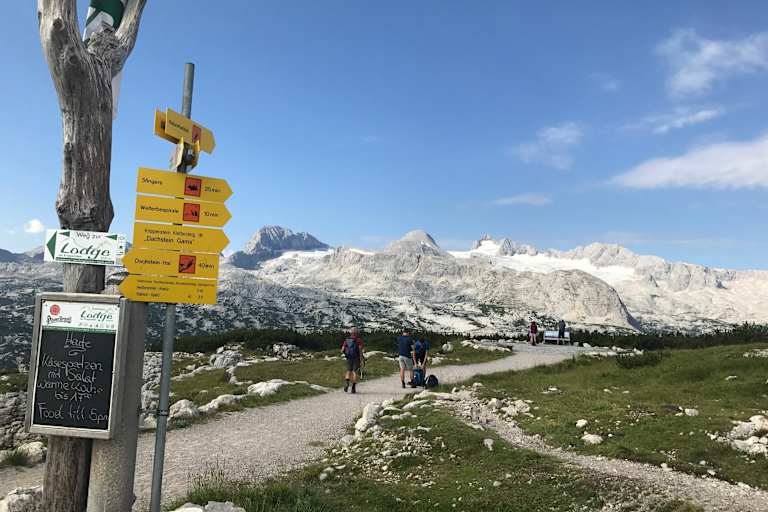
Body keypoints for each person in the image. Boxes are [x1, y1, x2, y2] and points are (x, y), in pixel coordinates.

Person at [341, 327, 364, 393]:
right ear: (357, 333)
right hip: (356, 358)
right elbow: (360, 350)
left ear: (351, 332)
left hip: (349, 357)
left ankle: (347, 381)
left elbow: (342, 350)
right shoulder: (358, 340)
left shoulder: (347, 340)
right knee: (354, 372)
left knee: (348, 370)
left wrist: (346, 353)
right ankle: (353, 387)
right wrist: (361, 359)